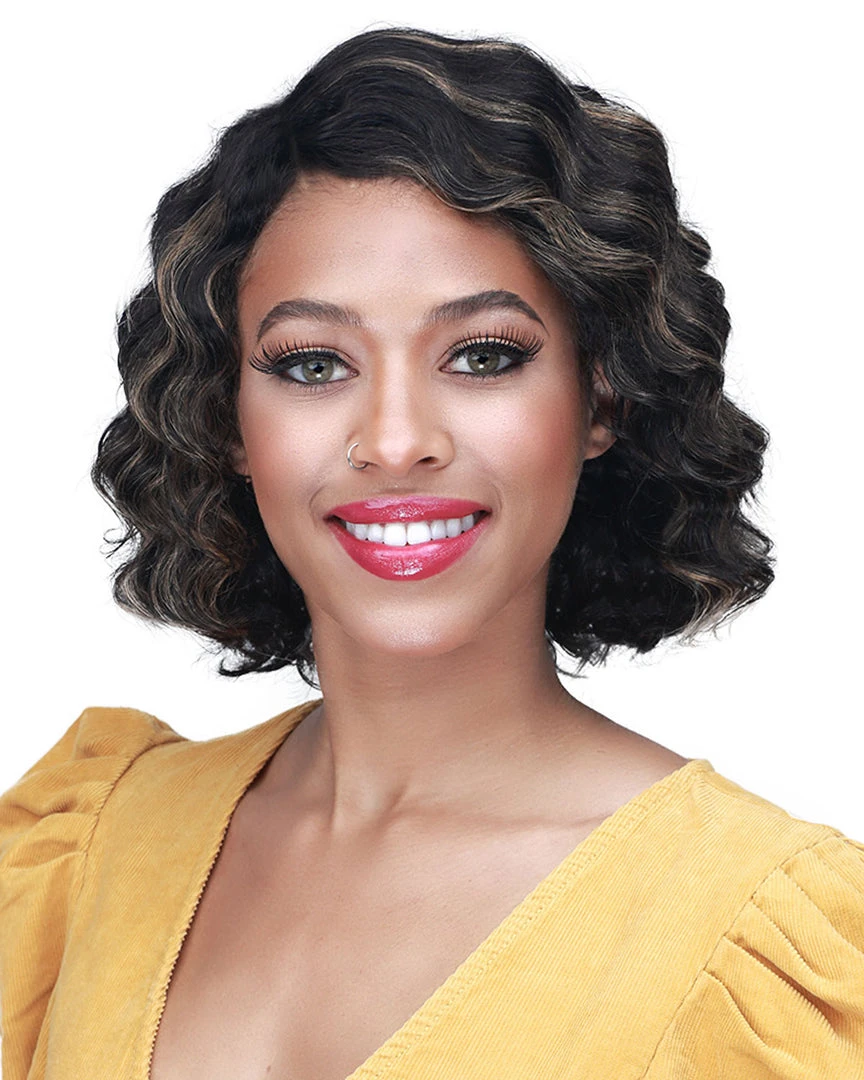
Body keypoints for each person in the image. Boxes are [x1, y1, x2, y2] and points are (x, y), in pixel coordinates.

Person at [1, 25, 862, 1080]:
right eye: (313, 364)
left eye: (483, 356)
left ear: (601, 398)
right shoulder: (88, 848)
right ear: (226, 417)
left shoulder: (757, 944)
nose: (397, 439)